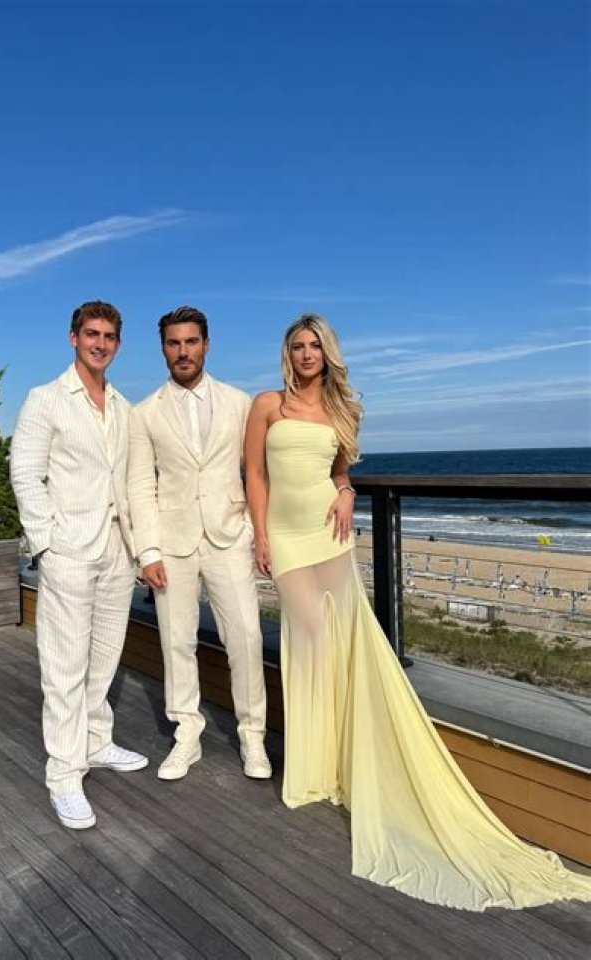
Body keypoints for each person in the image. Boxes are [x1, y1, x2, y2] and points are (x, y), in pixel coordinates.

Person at [243, 313, 591, 911]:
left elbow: (339, 472)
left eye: (315, 346)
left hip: (330, 535)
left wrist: (347, 491)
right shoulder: (267, 405)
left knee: (343, 645)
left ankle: (343, 765)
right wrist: (261, 535)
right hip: (288, 538)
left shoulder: (343, 412)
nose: (306, 354)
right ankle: (311, 769)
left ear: (327, 354)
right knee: (307, 644)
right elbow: (254, 472)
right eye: (297, 346)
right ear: (287, 353)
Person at [10, 300, 148, 830]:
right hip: (69, 549)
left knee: (104, 656)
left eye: (109, 336)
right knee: (64, 666)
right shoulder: (45, 399)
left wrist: (138, 548)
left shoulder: (123, 407)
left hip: (116, 550)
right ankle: (65, 775)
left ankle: (95, 741)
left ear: (118, 344)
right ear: (74, 338)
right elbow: (25, 474)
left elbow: (130, 481)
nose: (100, 344)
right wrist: (47, 544)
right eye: (92, 334)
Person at [128, 305, 270, 781]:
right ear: (163, 349)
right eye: (174, 343)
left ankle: (253, 736)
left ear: (206, 345)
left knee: (246, 637)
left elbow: (258, 471)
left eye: (191, 342)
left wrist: (253, 529)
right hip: (172, 543)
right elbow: (139, 486)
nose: (183, 351)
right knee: (176, 642)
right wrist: (148, 552)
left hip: (229, 536)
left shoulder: (240, 403)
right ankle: (186, 733)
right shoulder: (144, 413)